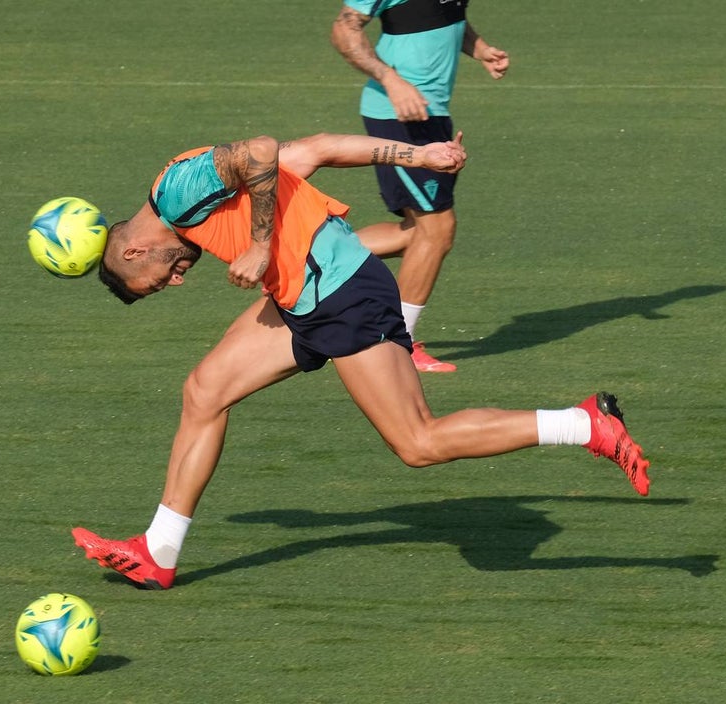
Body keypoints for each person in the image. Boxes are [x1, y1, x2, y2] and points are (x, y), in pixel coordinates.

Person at [72, 132, 649, 590]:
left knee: (417, 443)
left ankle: (587, 424)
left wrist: (261, 244)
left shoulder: (176, 189)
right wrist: (419, 155)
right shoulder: (188, 195)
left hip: (341, 292)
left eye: (155, 281)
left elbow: (262, 152)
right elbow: (318, 148)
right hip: (303, 298)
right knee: (204, 390)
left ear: (133, 250)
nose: (174, 281)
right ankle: (159, 552)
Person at [330, 0, 510, 372]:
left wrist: (479, 48)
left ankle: (309, 259)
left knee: (417, 233)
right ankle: (400, 344)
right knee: (438, 229)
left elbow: (445, 16)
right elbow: (344, 30)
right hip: (397, 115)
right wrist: (391, 79)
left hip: (433, 114)